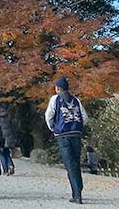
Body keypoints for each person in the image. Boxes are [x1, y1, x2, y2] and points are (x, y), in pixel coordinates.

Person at [46, 76, 89, 205]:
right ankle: (77, 191)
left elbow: (49, 116)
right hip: (76, 134)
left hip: (63, 134)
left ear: (58, 88)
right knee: (75, 162)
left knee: (70, 164)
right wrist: (79, 128)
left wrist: (53, 129)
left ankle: (77, 195)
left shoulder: (55, 99)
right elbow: (85, 117)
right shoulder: (76, 100)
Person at [0, 100, 17, 175]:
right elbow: (12, 125)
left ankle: (5, 170)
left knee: (1, 153)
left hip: (0, 136)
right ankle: (11, 165)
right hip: (9, 136)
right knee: (7, 152)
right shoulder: (7, 113)